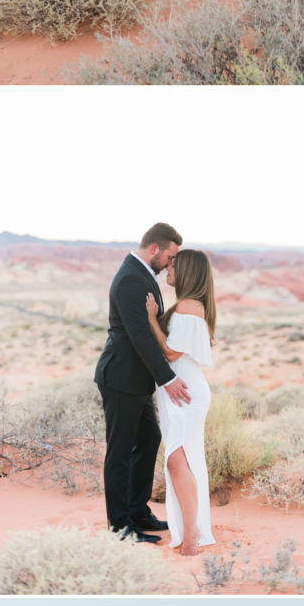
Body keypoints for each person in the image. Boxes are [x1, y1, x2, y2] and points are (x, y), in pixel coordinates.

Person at [94, 227, 191, 539]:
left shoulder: (140, 272)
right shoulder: (132, 278)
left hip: (135, 380)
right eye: (170, 256)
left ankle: (137, 511)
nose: (169, 263)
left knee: (148, 440)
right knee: (120, 452)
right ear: (154, 249)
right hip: (122, 378)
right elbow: (139, 337)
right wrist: (168, 379)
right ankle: (121, 526)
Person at [146, 248, 216, 552]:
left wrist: (150, 319)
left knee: (177, 461)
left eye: (175, 264)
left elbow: (171, 353)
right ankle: (193, 532)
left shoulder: (188, 306)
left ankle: (191, 540)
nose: (168, 268)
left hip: (186, 393)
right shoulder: (188, 305)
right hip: (180, 392)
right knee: (183, 461)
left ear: (188, 271)